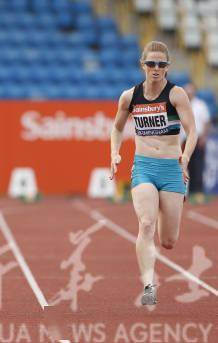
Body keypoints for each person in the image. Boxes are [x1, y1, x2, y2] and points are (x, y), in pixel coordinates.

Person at [109, 41, 197, 305]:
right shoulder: (129, 96)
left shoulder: (176, 94)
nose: (156, 69)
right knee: (145, 224)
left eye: (161, 64)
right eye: (151, 64)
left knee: (168, 240)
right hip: (144, 167)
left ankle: (168, 204)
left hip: (171, 168)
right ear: (143, 65)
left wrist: (185, 159)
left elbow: (192, 131)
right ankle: (149, 285)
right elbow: (116, 128)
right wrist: (114, 153)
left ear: (167, 67)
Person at [182, 83, 212, 204]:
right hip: (184, 139)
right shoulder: (181, 104)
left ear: (194, 91)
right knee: (184, 166)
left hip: (198, 139)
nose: (189, 93)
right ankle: (184, 192)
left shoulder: (200, 105)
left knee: (198, 166)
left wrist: (204, 137)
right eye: (187, 91)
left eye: (190, 91)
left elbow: (206, 122)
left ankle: (198, 192)